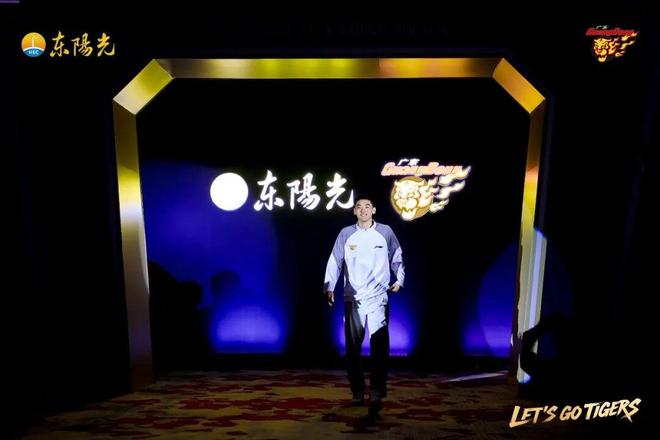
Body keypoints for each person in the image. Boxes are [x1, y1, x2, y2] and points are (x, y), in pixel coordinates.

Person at [324, 197, 405, 422]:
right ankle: (358, 391)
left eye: (367, 206)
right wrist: (329, 286)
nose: (363, 210)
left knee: (379, 345)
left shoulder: (385, 231)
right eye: (359, 207)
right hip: (353, 298)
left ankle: (377, 391)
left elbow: (397, 257)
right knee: (353, 348)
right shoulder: (346, 233)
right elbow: (334, 261)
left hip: (379, 297)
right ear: (354, 211)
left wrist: (399, 280)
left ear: (374, 210)